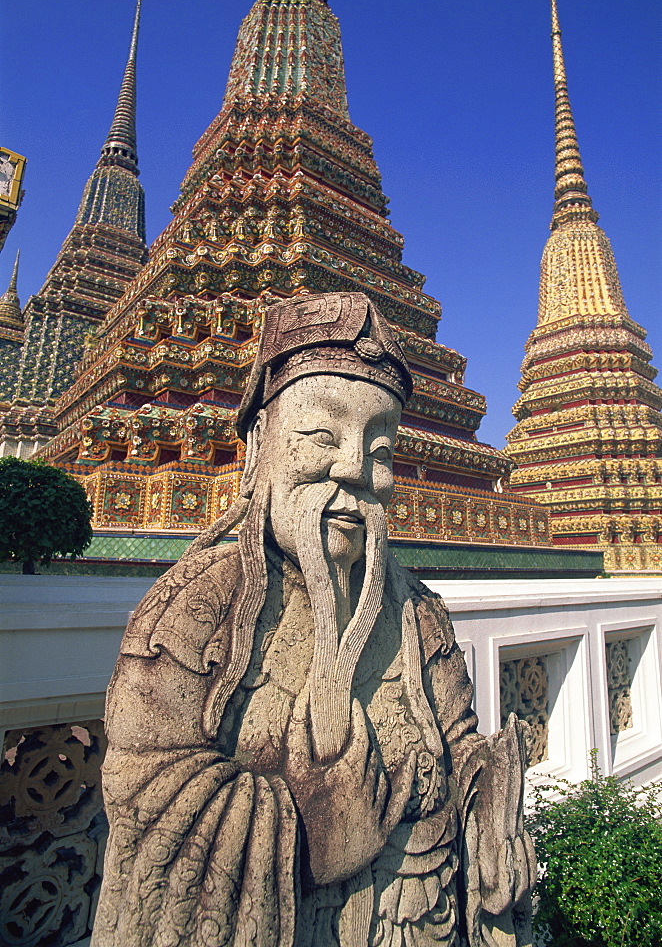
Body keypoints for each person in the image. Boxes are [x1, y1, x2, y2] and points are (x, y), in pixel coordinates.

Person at [92, 292, 535, 947]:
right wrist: (321, 827)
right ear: (258, 447)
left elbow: (459, 738)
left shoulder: (418, 615)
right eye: (321, 437)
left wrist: (489, 805)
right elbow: (145, 789)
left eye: (380, 451)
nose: (355, 469)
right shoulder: (197, 608)